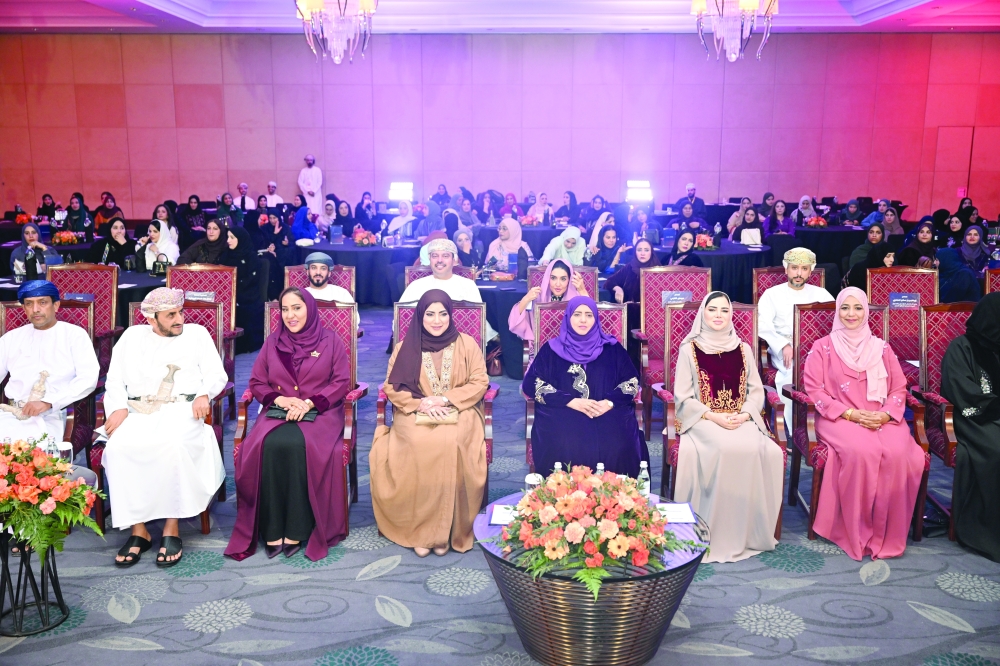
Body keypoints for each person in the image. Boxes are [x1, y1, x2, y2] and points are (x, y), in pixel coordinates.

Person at [103, 288, 228, 567]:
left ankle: (172, 526)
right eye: (171, 315)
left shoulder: (197, 334)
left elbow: (216, 374)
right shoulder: (131, 337)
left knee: (172, 446)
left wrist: (204, 394)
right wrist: (118, 407)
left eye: (180, 312)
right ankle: (139, 531)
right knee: (118, 449)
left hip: (183, 410)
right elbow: (113, 380)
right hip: (138, 411)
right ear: (150, 318)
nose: (179, 319)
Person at [226, 288, 352, 561]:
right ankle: (272, 527)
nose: (290, 315)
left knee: (296, 444)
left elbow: (341, 382)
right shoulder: (273, 342)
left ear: (309, 308)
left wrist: (308, 403)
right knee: (268, 445)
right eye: (285, 309)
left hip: (321, 414)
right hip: (278, 411)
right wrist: (282, 400)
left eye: (297, 308)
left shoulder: (331, 341)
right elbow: (258, 382)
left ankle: (297, 526)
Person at [802, 287, 925, 561]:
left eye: (857, 308)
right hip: (838, 418)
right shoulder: (822, 347)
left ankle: (886, 532)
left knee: (900, 453)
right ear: (837, 312)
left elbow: (898, 388)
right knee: (862, 451)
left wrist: (884, 414)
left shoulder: (882, 347)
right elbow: (814, 391)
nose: (851, 314)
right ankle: (854, 530)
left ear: (866, 311)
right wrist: (851, 414)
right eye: (845, 308)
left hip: (880, 416)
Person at [371, 290, 489, 556]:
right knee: (418, 442)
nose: (437, 320)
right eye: (430, 314)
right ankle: (421, 532)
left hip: (461, 410)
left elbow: (480, 381)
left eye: (443, 314)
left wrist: (446, 399)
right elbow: (393, 386)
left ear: (450, 315)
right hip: (414, 411)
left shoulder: (467, 343)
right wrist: (422, 403)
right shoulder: (404, 347)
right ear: (420, 316)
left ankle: (446, 532)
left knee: (451, 441)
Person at [672, 291, 783, 563]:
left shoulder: (743, 349)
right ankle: (714, 531)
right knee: (724, 447)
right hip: (704, 420)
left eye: (724, 310)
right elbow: (682, 397)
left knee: (769, 451)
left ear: (731, 314)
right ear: (703, 314)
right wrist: (713, 416)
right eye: (712, 310)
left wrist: (745, 415)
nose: (718, 316)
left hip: (739, 417)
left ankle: (749, 531)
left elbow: (757, 391)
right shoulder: (689, 350)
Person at [521, 296, 648, 476]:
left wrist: (609, 402)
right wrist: (570, 401)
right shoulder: (551, 349)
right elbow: (531, 383)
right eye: (577, 314)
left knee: (619, 442)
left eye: (589, 315)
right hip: (565, 412)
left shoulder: (612, 348)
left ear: (596, 318)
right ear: (568, 317)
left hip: (606, 411)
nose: (583, 320)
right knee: (566, 442)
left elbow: (632, 381)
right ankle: (564, 499)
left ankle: (617, 500)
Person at [0, 280, 100, 445]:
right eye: (29, 304)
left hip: (51, 416)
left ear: (56, 305)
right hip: (11, 414)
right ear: (24, 308)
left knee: (34, 460)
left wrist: (49, 402)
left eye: (42, 302)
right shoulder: (11, 338)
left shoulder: (74, 335)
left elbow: (88, 379)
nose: (36, 309)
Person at [940, 293, 1000, 562]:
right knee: (996, 450)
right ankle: (986, 528)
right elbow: (962, 393)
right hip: (973, 418)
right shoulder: (962, 347)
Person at [757, 248, 834, 425]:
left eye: (804, 268)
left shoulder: (821, 294)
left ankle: (828, 427)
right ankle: (797, 428)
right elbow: (762, 325)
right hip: (785, 350)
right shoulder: (772, 294)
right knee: (794, 374)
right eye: (794, 268)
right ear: (786, 268)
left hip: (818, 350)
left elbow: (835, 322)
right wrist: (783, 345)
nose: (799, 273)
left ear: (810, 271)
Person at [399, 239, 498, 341]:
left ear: (454, 260)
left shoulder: (468, 285)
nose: (439, 260)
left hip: (461, 347)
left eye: (445, 256)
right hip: (422, 346)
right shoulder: (416, 286)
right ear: (430, 260)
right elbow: (400, 321)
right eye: (435, 256)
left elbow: (478, 321)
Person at [509, 260, 588, 340]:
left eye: (563, 279)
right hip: (544, 346)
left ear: (569, 280)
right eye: (553, 278)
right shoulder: (538, 297)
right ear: (547, 279)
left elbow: (592, 321)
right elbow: (515, 321)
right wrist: (526, 299)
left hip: (571, 346)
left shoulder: (577, 298)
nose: (558, 284)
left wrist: (583, 291)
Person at [220, 227, 264, 353]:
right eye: (227, 237)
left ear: (241, 239)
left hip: (247, 294)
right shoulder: (226, 255)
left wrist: (236, 289)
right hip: (228, 293)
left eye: (232, 238)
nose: (228, 240)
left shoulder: (251, 256)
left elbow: (252, 279)